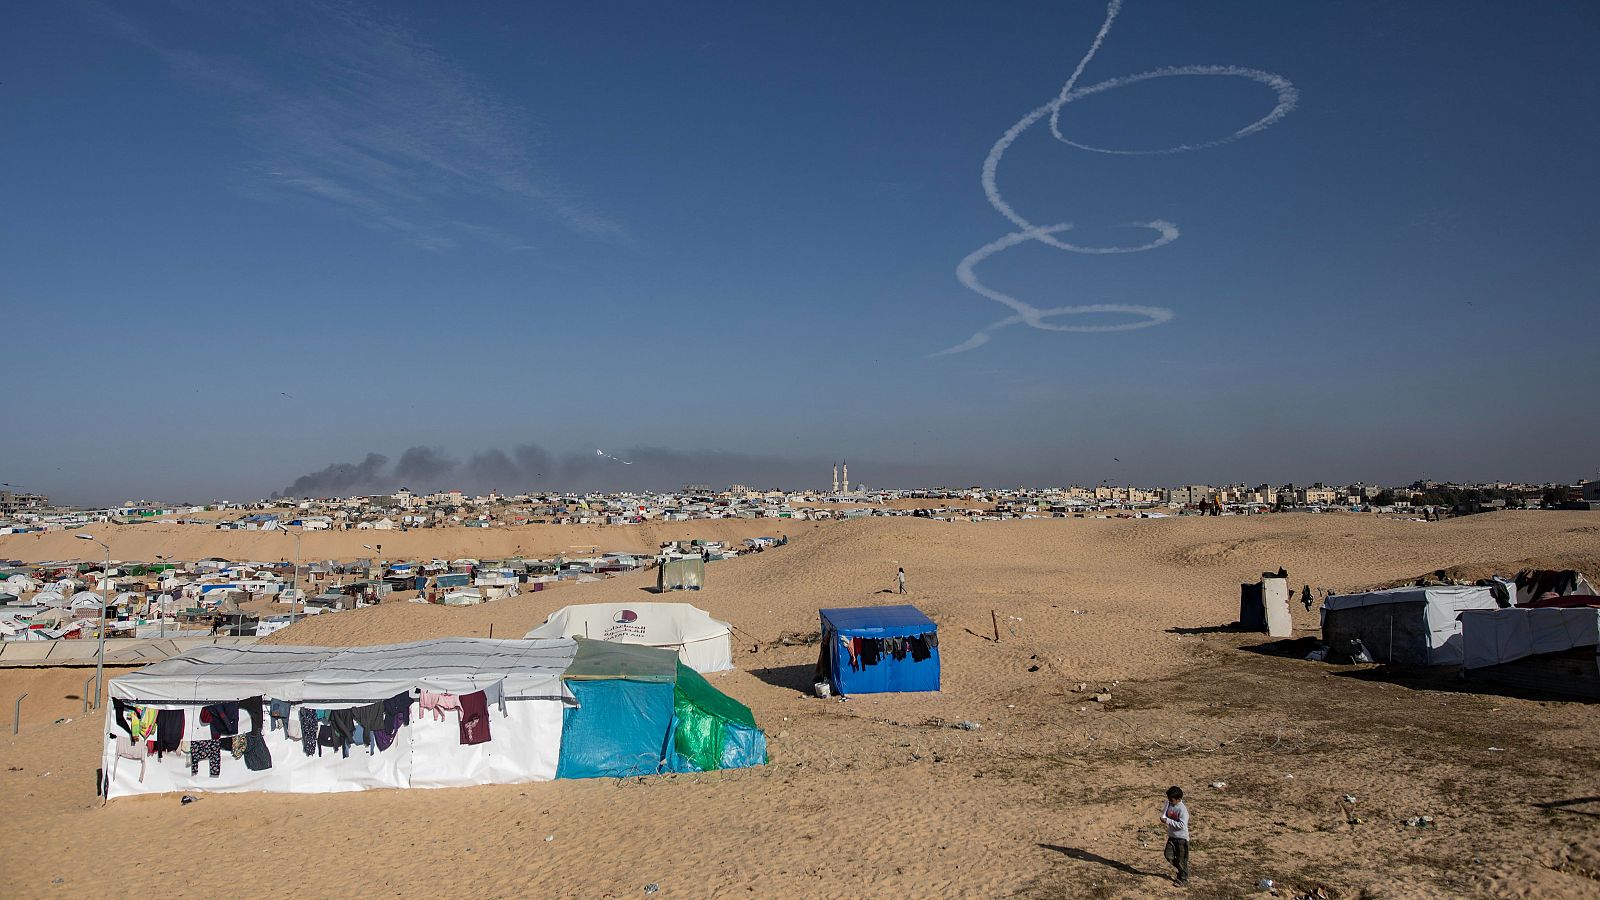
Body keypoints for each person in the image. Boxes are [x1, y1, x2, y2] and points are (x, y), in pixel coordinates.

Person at [1161, 785, 1190, 887]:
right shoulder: (1169, 805)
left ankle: (1183, 878)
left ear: (1178, 799)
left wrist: (1168, 821)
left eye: (1171, 800)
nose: (1169, 801)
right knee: (1167, 855)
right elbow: (1165, 814)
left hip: (1181, 839)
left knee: (1182, 860)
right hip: (1172, 837)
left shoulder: (1182, 810)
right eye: (1168, 799)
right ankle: (1181, 869)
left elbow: (1182, 825)